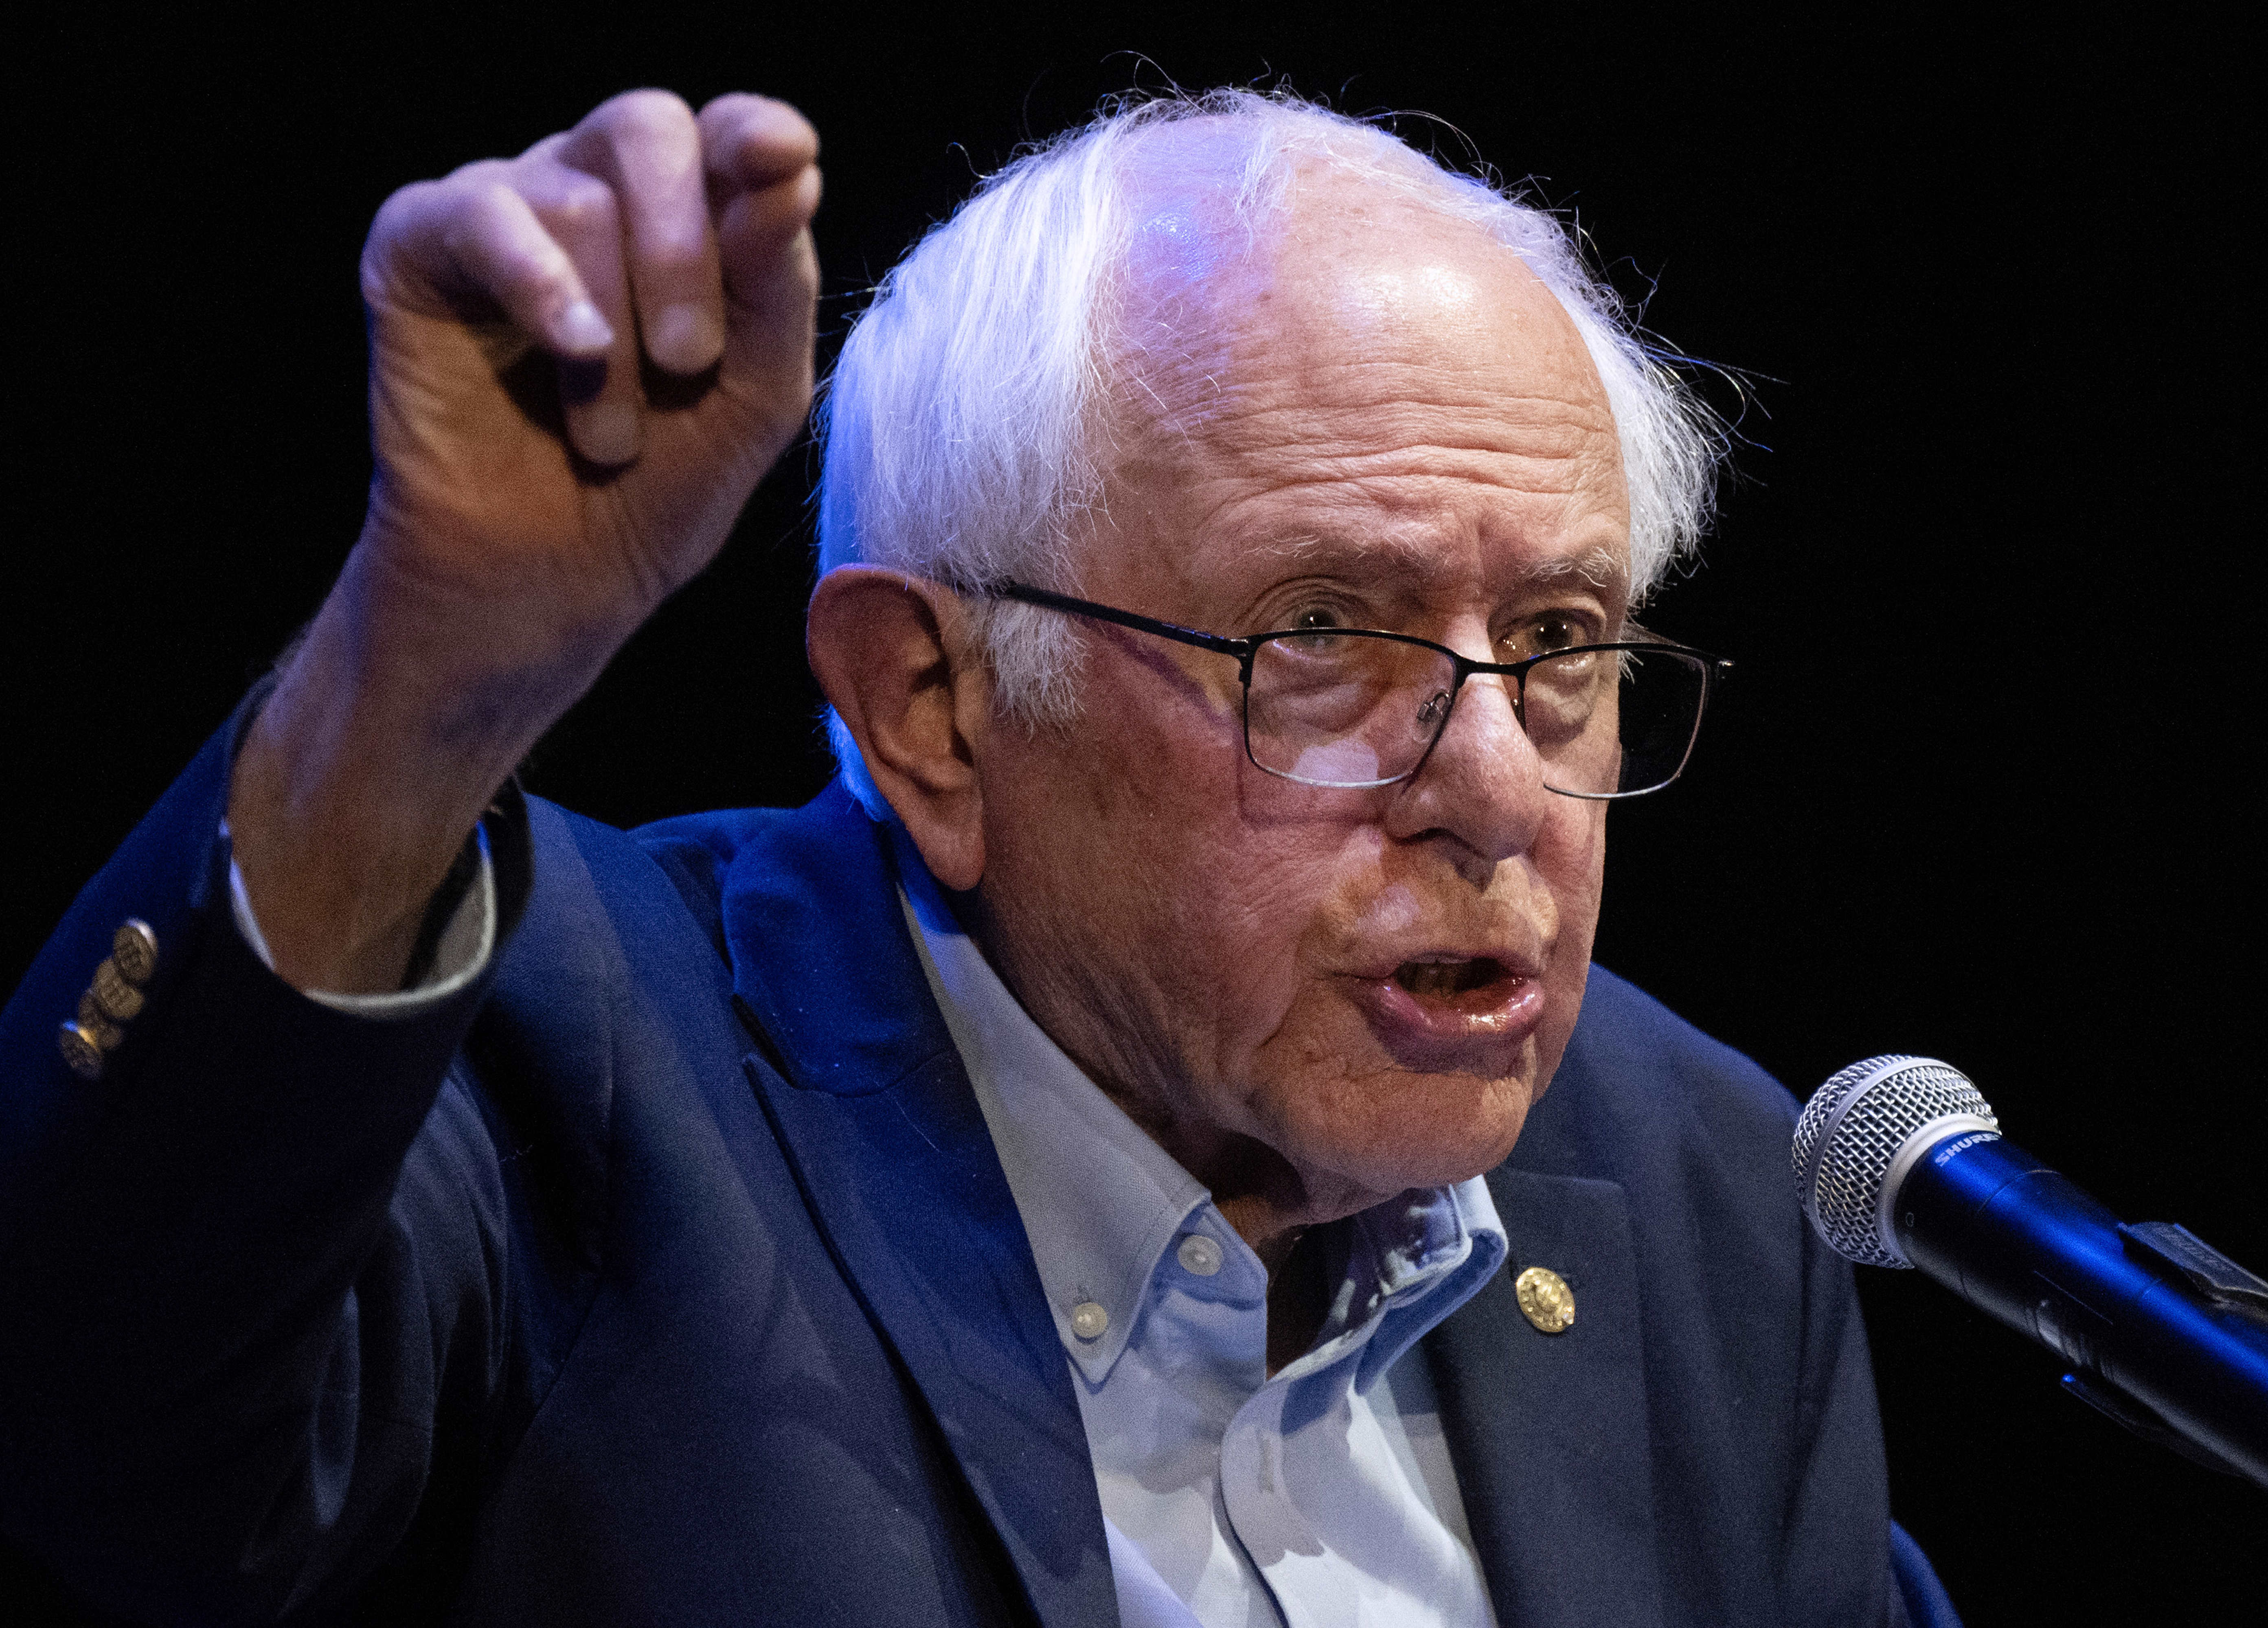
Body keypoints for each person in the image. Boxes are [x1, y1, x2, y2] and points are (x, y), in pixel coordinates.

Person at [0, 86, 1959, 1626]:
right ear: (933, 709)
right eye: (1324, 643)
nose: (1499, 790)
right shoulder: (576, 1059)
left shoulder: (1707, 1188)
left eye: (1556, 648)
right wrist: (411, 676)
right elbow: (106, 1444)